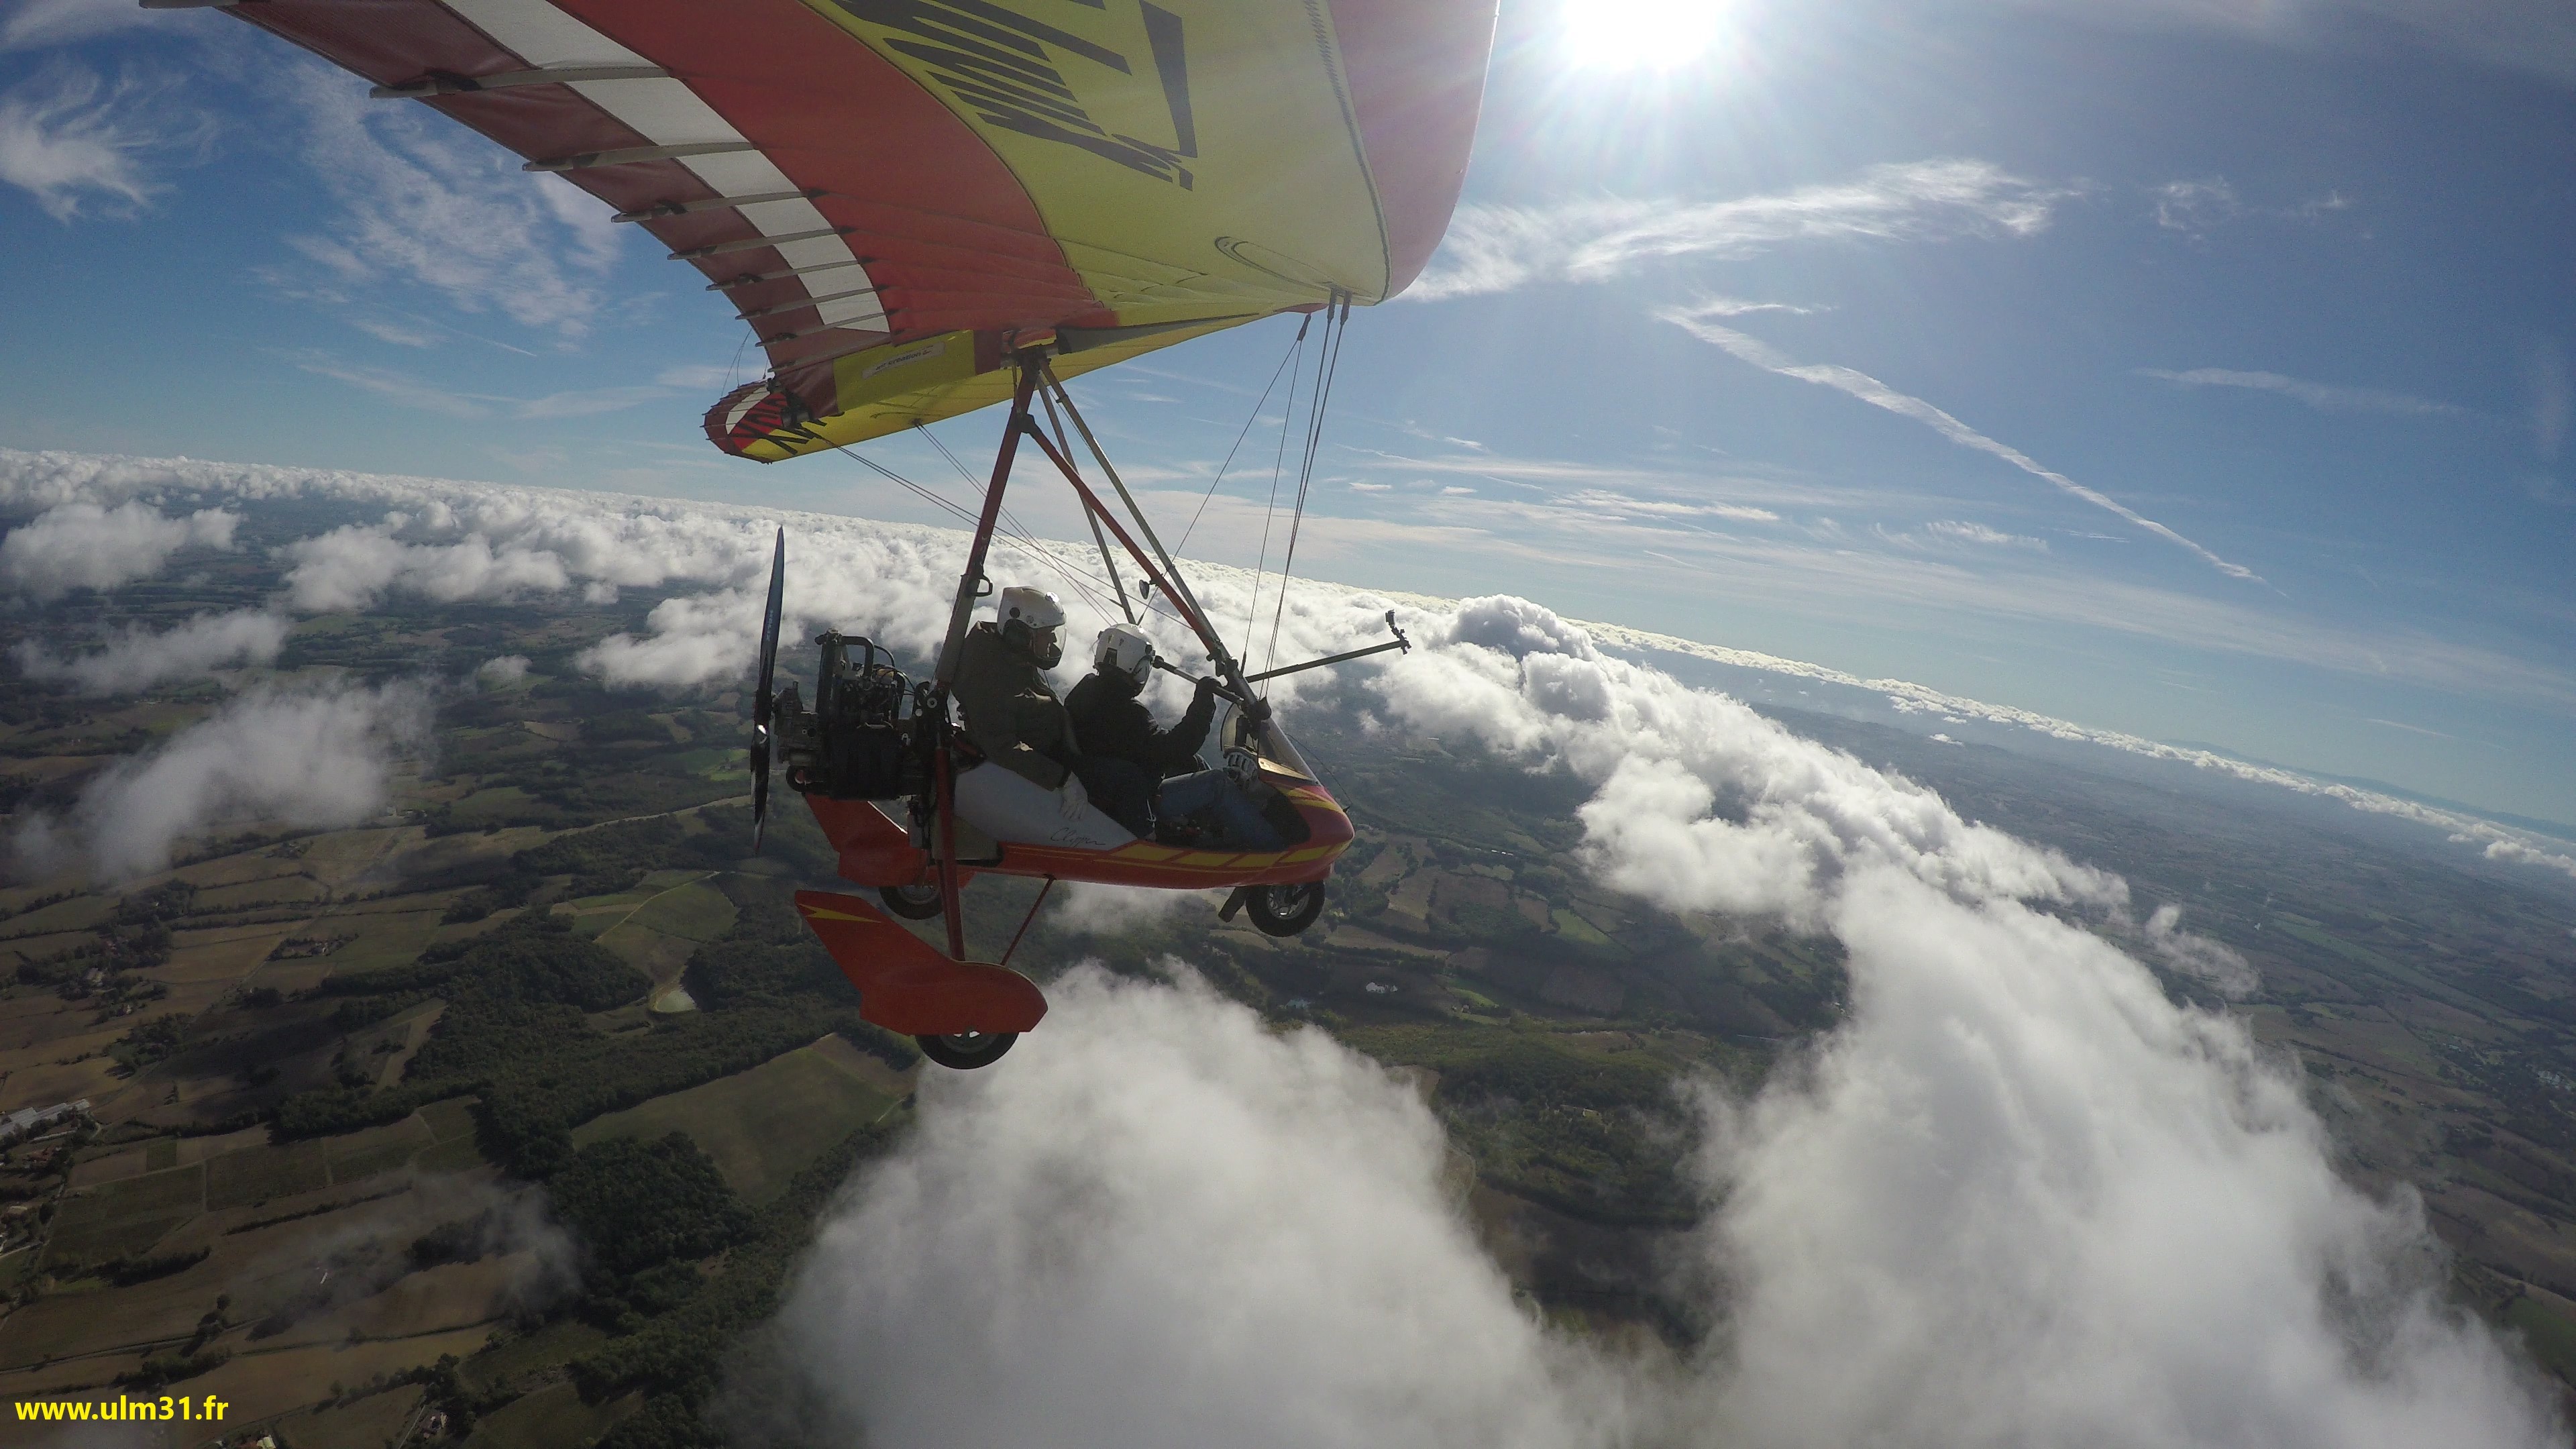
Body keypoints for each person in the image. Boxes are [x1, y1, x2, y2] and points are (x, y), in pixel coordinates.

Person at [1066, 623, 1283, 851]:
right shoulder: (1128, 713)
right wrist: (1202, 705)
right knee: (1216, 783)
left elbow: (1156, 750)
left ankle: (1216, 825)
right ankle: (1274, 849)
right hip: (1133, 801)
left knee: (1194, 764)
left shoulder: (1085, 691)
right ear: (1136, 669)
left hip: (1106, 784)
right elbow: (1174, 748)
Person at [948, 586, 1094, 824]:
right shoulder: (989, 675)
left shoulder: (1009, 655)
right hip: (1044, 762)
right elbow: (1003, 746)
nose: (1054, 639)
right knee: (1119, 777)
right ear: (1020, 633)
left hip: (1053, 751)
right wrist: (1063, 778)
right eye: (1047, 633)